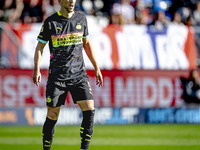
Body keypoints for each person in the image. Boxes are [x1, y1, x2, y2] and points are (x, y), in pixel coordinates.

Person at [32, 0, 103, 150]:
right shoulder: (50, 22)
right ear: (60, 1)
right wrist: (36, 69)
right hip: (57, 77)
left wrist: (97, 67)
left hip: (79, 75)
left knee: (89, 109)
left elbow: (87, 44)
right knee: (52, 115)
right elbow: (40, 47)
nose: (71, 1)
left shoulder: (81, 18)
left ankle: (84, 148)